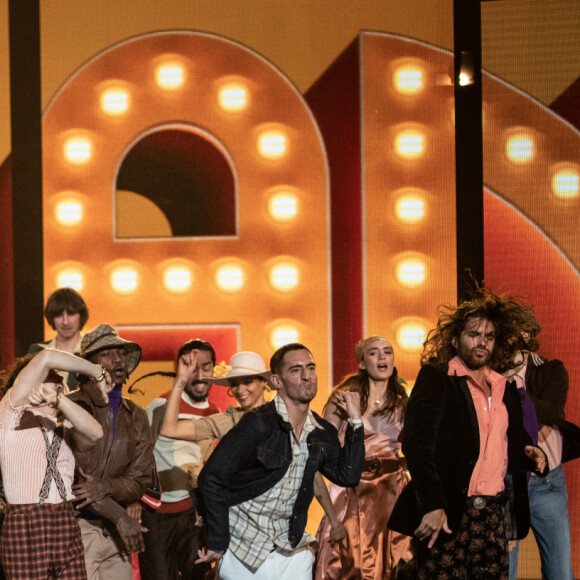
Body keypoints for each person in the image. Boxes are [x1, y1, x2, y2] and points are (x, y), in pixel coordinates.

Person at [388, 289, 549, 579]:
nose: (482, 342)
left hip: (492, 516)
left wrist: (529, 452)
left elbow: (509, 442)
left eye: (488, 336)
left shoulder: (503, 386)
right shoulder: (438, 378)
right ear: (455, 339)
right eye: (474, 334)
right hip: (448, 514)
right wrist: (434, 505)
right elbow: (416, 445)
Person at [196, 343, 365, 580]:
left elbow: (348, 476)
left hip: (290, 548)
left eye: (311, 368)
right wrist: (217, 539)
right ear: (276, 381)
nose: (307, 376)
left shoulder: (320, 431)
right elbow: (211, 478)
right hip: (245, 547)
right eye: (296, 370)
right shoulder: (258, 423)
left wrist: (356, 422)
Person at [0, 348, 107, 579]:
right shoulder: (11, 411)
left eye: (61, 384)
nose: (59, 385)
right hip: (26, 523)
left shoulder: (67, 426)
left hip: (65, 520)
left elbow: (96, 433)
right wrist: (95, 371)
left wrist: (59, 400)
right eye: (51, 380)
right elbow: (47, 356)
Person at [314, 336, 412, 580]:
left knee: (398, 561)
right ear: (361, 363)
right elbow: (323, 451)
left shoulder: (404, 401)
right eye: (374, 353)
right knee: (347, 562)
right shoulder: (343, 399)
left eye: (387, 352)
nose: (382, 357)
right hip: (352, 491)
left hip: (393, 492)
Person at [69, 324, 155, 580]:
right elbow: (75, 480)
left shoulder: (137, 415)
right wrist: (120, 516)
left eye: (121, 353)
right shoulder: (71, 406)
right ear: (88, 364)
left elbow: (140, 480)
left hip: (118, 533)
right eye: (107, 353)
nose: (118, 359)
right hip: (78, 527)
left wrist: (105, 487)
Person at [504, 308, 579, 580]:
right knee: (503, 570)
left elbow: (550, 414)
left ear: (525, 334)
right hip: (505, 483)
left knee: (559, 572)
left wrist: (515, 391)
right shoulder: (486, 374)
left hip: (546, 483)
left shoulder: (549, 369)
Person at [138, 339, 220, 580]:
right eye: (191, 366)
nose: (199, 373)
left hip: (192, 516)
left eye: (206, 366)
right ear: (180, 369)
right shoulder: (161, 405)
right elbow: (140, 455)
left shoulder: (214, 413)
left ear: (214, 369)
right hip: (156, 515)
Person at [29, 288, 90, 392]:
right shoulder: (37, 350)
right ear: (51, 318)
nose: (65, 322)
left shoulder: (91, 351)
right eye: (59, 315)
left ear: (81, 316)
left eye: (70, 314)